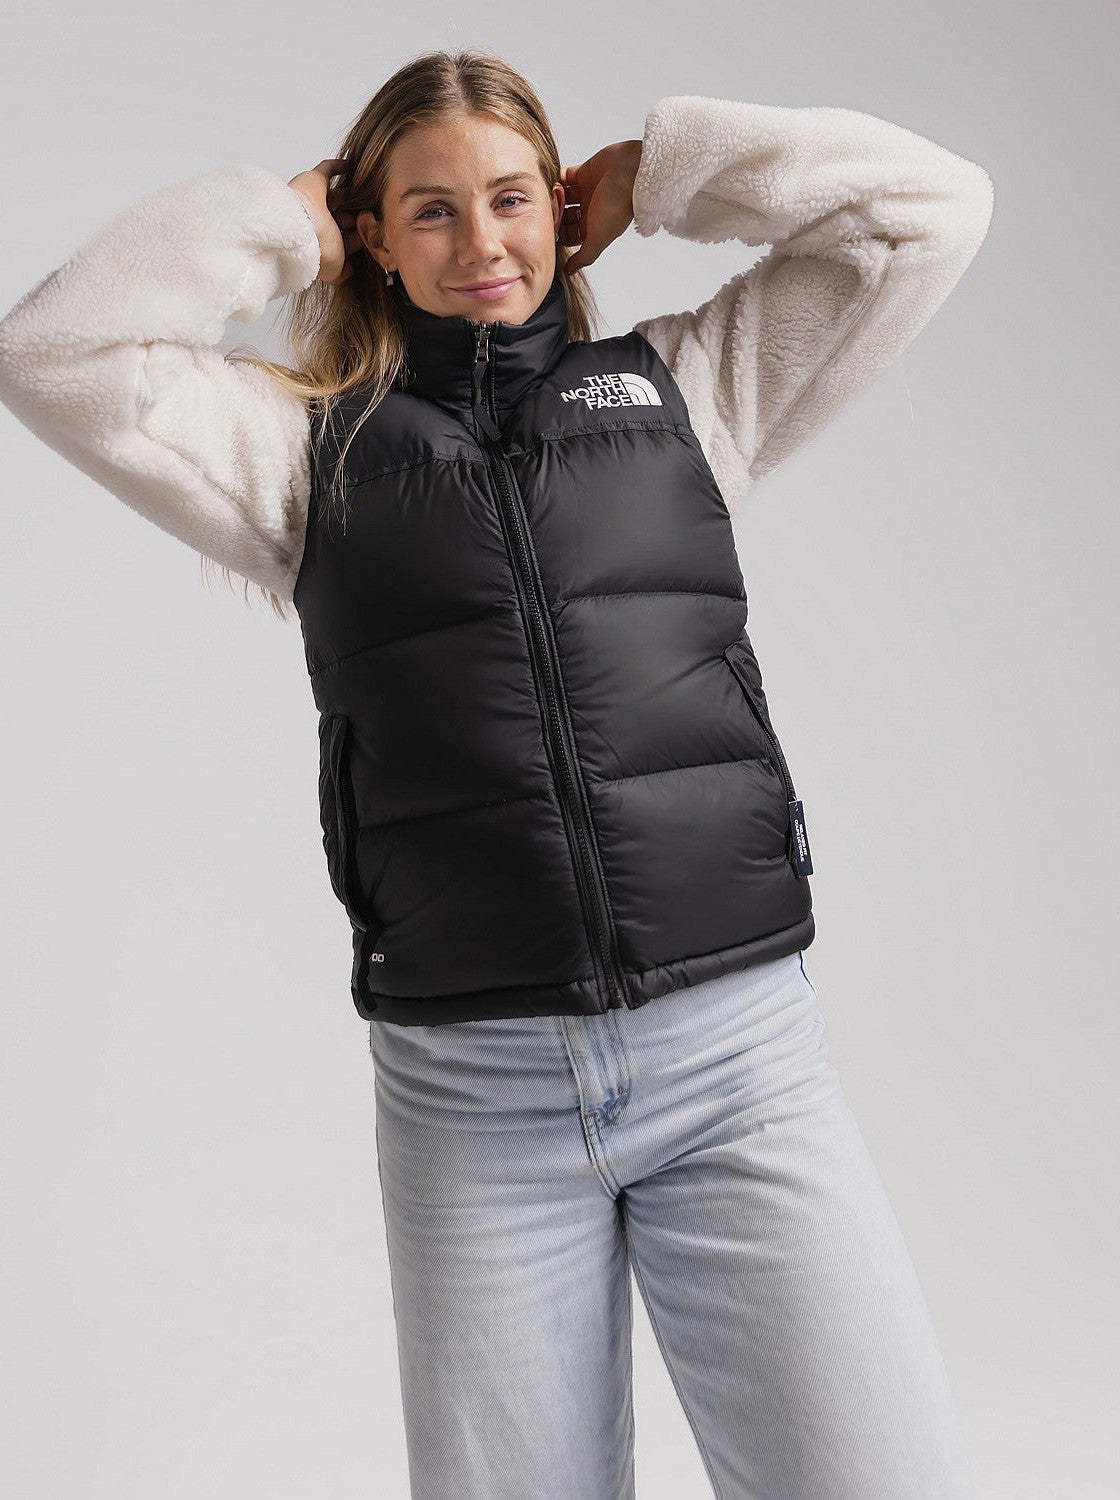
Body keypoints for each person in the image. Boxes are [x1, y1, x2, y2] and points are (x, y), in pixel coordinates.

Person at [0, 46, 993, 1500]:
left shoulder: (685, 394)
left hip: (737, 1069)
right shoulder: (304, 458)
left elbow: (927, 212)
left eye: (513, 198)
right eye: (432, 210)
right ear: (372, 238)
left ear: (560, 211)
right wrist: (277, 224)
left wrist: (659, 173)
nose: (482, 243)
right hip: (474, 1106)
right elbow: (53, 352)